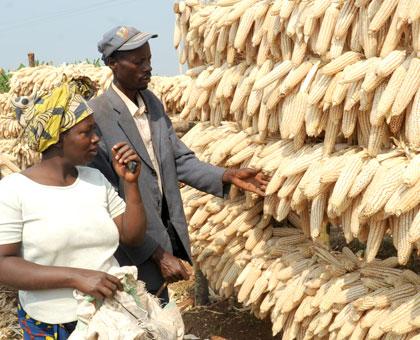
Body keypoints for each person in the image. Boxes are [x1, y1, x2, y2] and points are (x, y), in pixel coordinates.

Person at [89, 26, 268, 301]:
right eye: (139, 62)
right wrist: (157, 255)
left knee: (158, 314)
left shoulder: (152, 103)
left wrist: (227, 175)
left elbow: (178, 159)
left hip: (160, 234)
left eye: (148, 59)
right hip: (128, 251)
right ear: (113, 64)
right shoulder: (98, 117)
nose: (148, 67)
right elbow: (106, 203)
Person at [0, 78, 147, 339]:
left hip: (110, 316)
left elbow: (132, 236)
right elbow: (4, 264)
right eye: (86, 132)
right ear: (56, 138)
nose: (96, 139)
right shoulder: (13, 190)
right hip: (51, 323)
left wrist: (131, 184)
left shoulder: (95, 179)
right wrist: (76, 277)